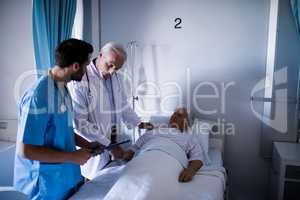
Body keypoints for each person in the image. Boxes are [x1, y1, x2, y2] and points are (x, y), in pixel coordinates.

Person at [14, 39, 105, 200]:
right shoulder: (38, 96)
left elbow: (65, 131)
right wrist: (72, 156)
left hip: (65, 176)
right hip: (47, 183)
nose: (86, 70)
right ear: (75, 66)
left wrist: (88, 144)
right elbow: (26, 150)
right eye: (86, 65)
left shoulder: (63, 90)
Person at [68, 42, 153, 180]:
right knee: (95, 183)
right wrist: (109, 145)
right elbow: (80, 123)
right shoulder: (80, 80)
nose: (113, 71)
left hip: (114, 138)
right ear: (100, 55)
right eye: (110, 65)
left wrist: (138, 123)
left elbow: (123, 104)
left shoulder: (116, 77)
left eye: (117, 68)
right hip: (94, 144)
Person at [123, 107, 204, 182]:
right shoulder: (155, 130)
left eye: (179, 115)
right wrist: (127, 153)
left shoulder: (189, 137)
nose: (174, 116)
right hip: (145, 156)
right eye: (174, 113)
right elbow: (136, 147)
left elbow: (197, 157)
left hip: (168, 160)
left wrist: (191, 170)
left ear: (186, 121)